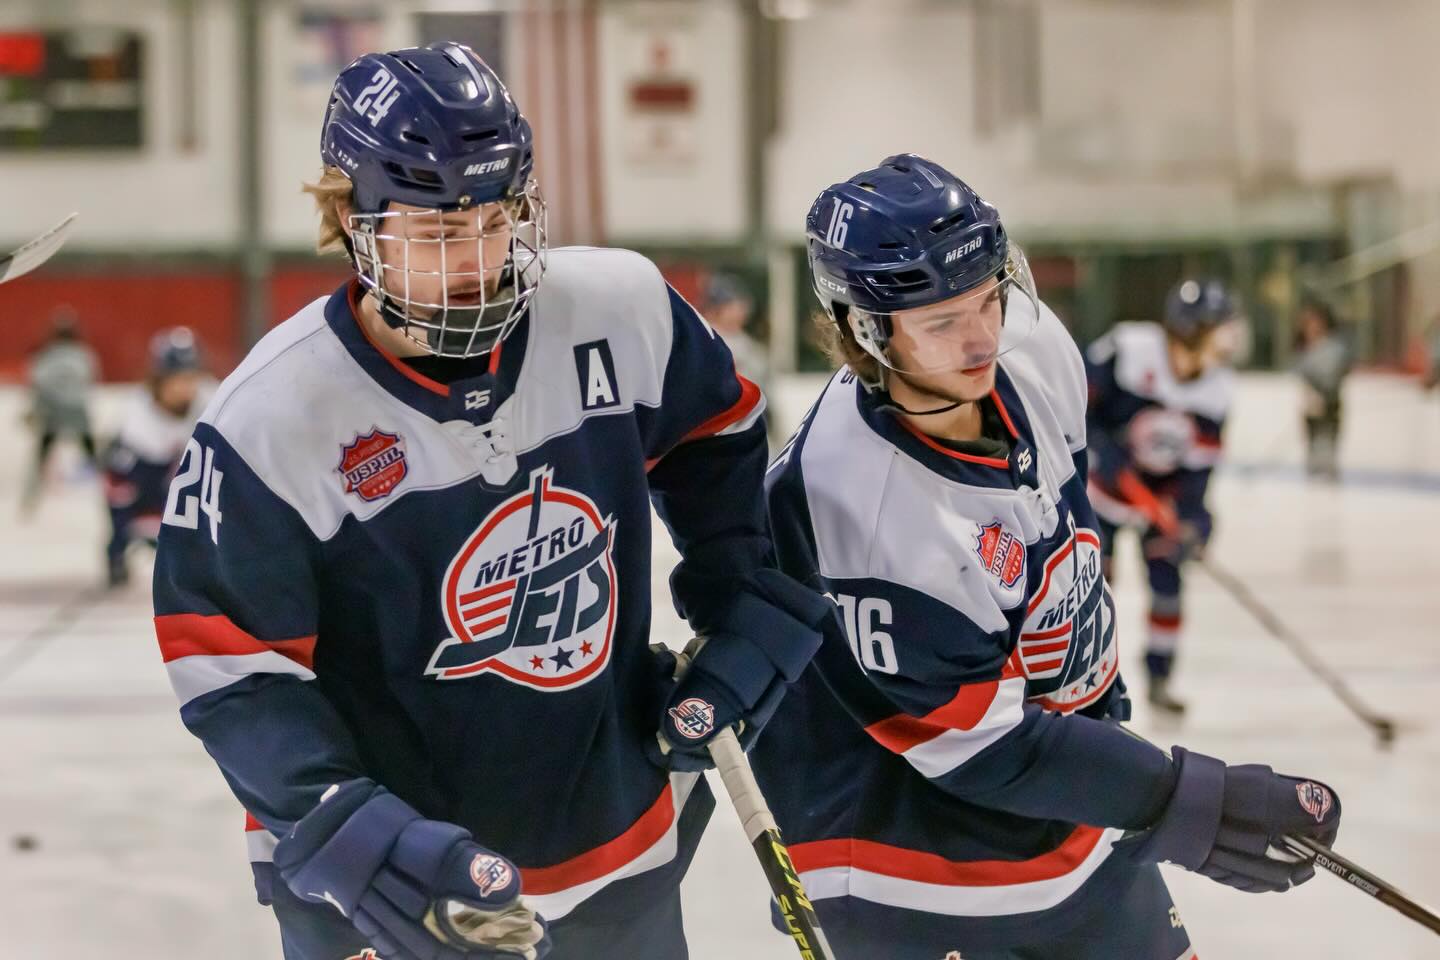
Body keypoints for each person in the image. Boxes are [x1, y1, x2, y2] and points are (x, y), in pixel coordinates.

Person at [152, 43, 829, 960]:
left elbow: (719, 437)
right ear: (351, 219)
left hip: (620, 849)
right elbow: (231, 667)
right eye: (436, 234)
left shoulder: (620, 311)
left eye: (496, 219)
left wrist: (744, 603)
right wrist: (349, 829)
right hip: (404, 901)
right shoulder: (269, 421)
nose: (477, 259)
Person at [750, 154, 1341, 960]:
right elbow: (986, 751)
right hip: (905, 858)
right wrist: (1192, 800)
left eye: (988, 297)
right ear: (865, 330)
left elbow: (1063, 534)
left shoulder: (1030, 349)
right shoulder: (860, 502)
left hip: (1061, 808)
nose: (982, 338)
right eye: (941, 322)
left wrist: (1107, 724)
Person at [1084, 278, 1237, 714]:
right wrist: (1104, 453)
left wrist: (1194, 520)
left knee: (1168, 584)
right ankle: (1084, 680)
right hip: (1100, 493)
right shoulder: (1129, 350)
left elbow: (1197, 475)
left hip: (1156, 504)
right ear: (1192, 329)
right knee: (1090, 589)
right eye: (1220, 328)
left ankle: (1160, 679)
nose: (1229, 339)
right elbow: (1075, 404)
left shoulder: (1217, 393)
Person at [103, 327, 212, 587]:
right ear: (159, 380)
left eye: (191, 377)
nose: (185, 386)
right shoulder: (136, 419)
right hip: (146, 488)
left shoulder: (212, 400)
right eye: (177, 378)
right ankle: (117, 551)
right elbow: (119, 486)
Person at [22, 307, 99, 514]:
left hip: (53, 411)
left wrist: (35, 408)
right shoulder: (83, 354)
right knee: (91, 454)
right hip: (75, 410)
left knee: (42, 455)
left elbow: (37, 382)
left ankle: (30, 498)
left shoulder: (46, 355)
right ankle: (105, 489)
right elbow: (90, 378)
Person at [1292, 299, 1350, 480]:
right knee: (1313, 444)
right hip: (1311, 406)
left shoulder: (1334, 348)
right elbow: (1300, 373)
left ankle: (1326, 474)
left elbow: (1338, 373)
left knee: (1326, 444)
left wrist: (1323, 394)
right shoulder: (1305, 348)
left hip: (1329, 404)